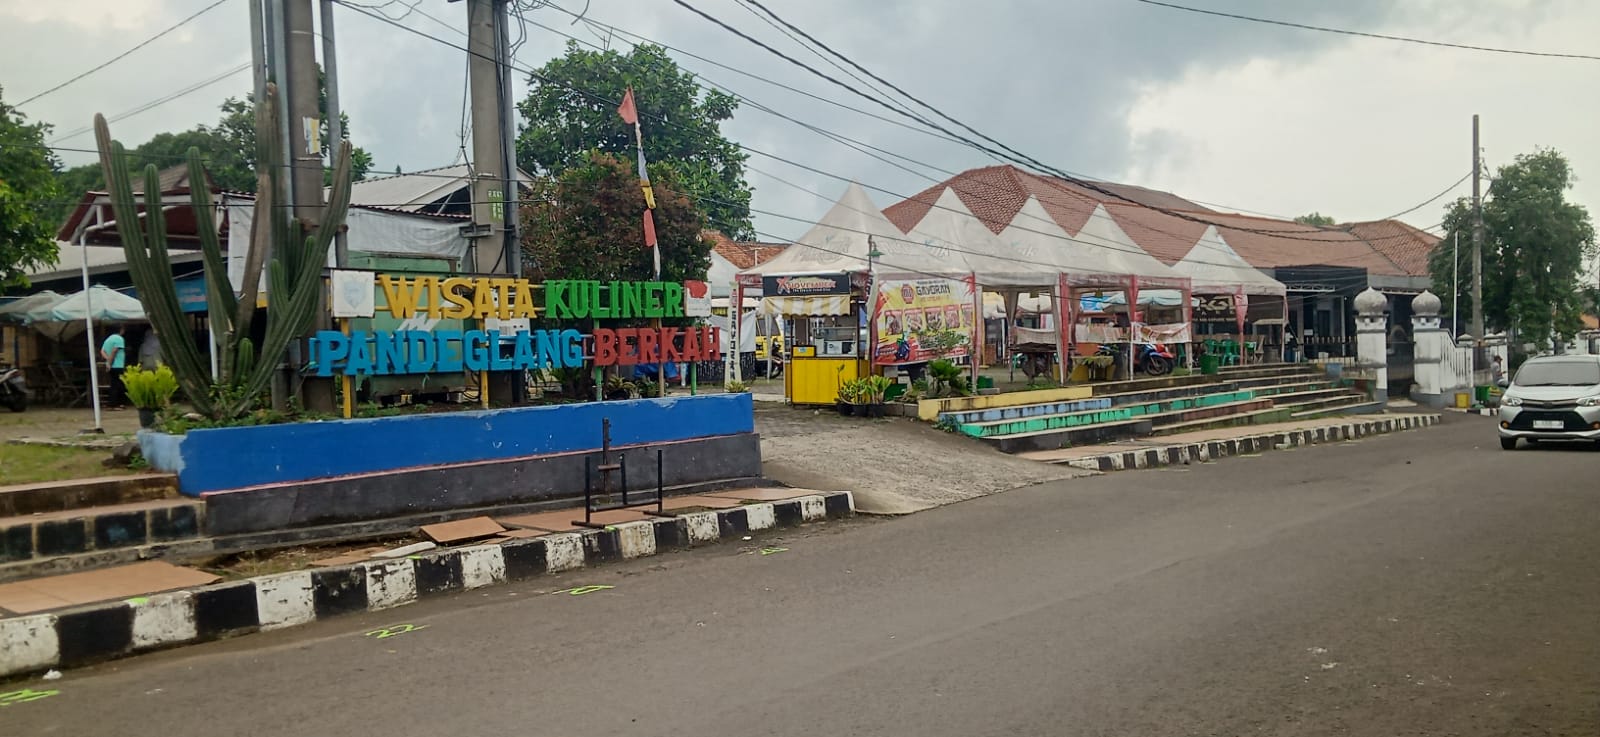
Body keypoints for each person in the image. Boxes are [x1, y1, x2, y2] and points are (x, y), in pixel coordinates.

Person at [100, 325, 127, 407]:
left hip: (111, 366)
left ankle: (112, 402)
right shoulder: (119, 339)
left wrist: (107, 360)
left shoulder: (108, 339)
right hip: (118, 365)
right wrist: (110, 361)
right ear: (121, 330)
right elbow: (115, 351)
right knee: (119, 385)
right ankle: (116, 403)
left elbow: (102, 351)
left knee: (113, 384)